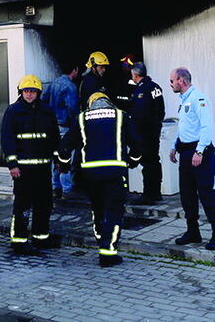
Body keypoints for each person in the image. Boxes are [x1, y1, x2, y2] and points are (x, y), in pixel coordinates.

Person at [57, 90, 141, 267]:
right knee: (114, 211)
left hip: (91, 175)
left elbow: (64, 146)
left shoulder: (82, 118)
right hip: (115, 173)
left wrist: (64, 165)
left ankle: (101, 242)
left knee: (98, 209)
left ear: (91, 104)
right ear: (108, 102)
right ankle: (108, 252)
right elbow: (137, 144)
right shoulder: (121, 116)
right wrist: (133, 161)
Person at [0, 74, 61, 255]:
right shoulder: (13, 111)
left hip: (43, 168)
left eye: (33, 91)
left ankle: (40, 238)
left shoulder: (46, 111)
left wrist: (57, 159)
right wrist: (12, 164)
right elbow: (7, 139)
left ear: (38, 93)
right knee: (22, 205)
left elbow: (54, 137)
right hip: (23, 170)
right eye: (26, 91)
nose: (29, 94)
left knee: (44, 204)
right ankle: (19, 242)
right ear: (20, 92)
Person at [168, 67, 215, 250]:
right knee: (187, 195)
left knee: (206, 194)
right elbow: (184, 127)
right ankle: (193, 231)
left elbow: (206, 127)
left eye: (172, 81)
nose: (171, 84)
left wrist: (199, 151)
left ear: (181, 80)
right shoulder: (183, 100)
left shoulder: (198, 98)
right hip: (186, 153)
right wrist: (174, 147)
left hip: (200, 153)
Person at [42, 62, 80, 200]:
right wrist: (76, 127)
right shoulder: (70, 86)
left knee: (55, 157)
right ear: (74, 70)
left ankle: (55, 187)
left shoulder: (53, 83)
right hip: (65, 127)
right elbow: (72, 108)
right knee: (66, 158)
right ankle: (67, 190)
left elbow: (44, 100)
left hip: (53, 127)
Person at [128, 62, 166, 205]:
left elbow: (139, 114)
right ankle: (156, 193)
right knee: (154, 161)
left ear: (135, 75)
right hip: (154, 131)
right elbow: (161, 110)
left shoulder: (142, 90)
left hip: (145, 133)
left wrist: (135, 132)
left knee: (148, 163)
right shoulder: (156, 87)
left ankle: (148, 195)